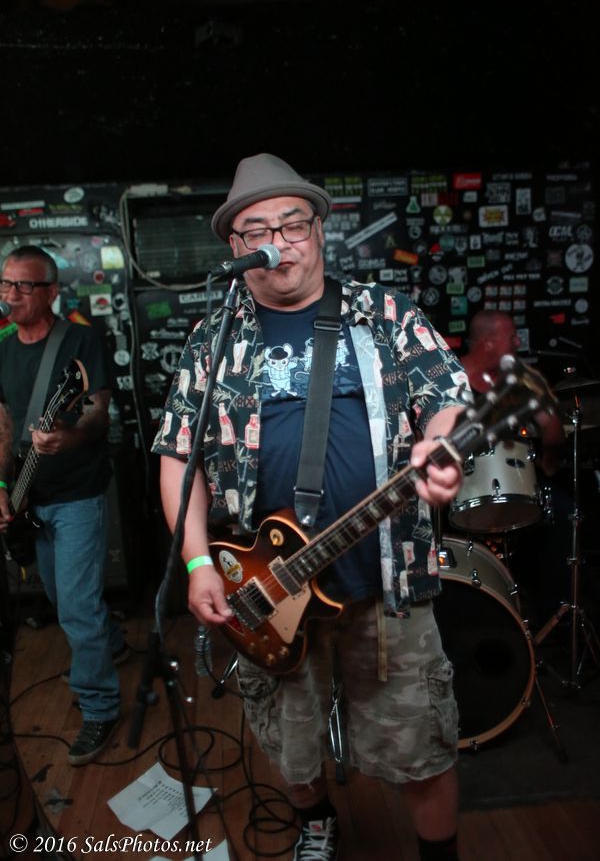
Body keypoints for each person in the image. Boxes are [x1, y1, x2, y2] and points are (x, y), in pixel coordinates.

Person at [153, 153, 471, 861]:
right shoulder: (214, 338)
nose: (279, 242)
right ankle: (317, 821)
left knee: (420, 744)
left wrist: (441, 443)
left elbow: (448, 396)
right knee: (288, 741)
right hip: (266, 587)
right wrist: (198, 561)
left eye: (293, 224)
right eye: (257, 231)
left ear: (319, 229)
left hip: (383, 583)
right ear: (236, 247)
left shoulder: (383, 314)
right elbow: (179, 457)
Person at [0, 245, 128, 765]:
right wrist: (1, 483)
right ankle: (110, 641)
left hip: (77, 493)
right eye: (5, 284)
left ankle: (99, 706)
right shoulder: (3, 346)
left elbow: (97, 413)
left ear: (52, 291)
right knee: (59, 595)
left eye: (23, 286)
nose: (10, 295)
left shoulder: (79, 340)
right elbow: (3, 422)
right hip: (30, 493)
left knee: (75, 605)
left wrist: (66, 437)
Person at [459, 309, 569, 628]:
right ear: (489, 343)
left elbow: (552, 430)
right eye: (512, 337)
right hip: (459, 493)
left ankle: (550, 620)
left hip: (517, 486)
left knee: (563, 513)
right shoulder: (451, 377)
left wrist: (548, 465)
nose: (519, 343)